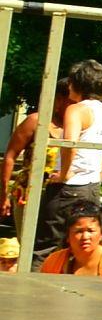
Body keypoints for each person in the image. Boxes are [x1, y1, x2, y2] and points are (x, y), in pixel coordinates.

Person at [34, 60, 102, 268]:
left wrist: (64, 174)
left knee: (46, 249)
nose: (68, 86)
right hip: (92, 187)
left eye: (70, 81)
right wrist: (98, 175)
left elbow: (69, 144)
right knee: (81, 250)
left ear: (78, 83)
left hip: (68, 188)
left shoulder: (76, 110)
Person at [1, 78, 70, 235]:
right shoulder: (36, 121)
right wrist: (3, 194)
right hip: (29, 195)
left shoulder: (76, 127)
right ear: (59, 100)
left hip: (61, 197)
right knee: (28, 241)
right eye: (72, 102)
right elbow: (10, 156)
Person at [37, 202, 102, 277]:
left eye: (90, 231)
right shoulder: (53, 261)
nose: (85, 237)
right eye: (79, 231)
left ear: (101, 234)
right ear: (68, 236)